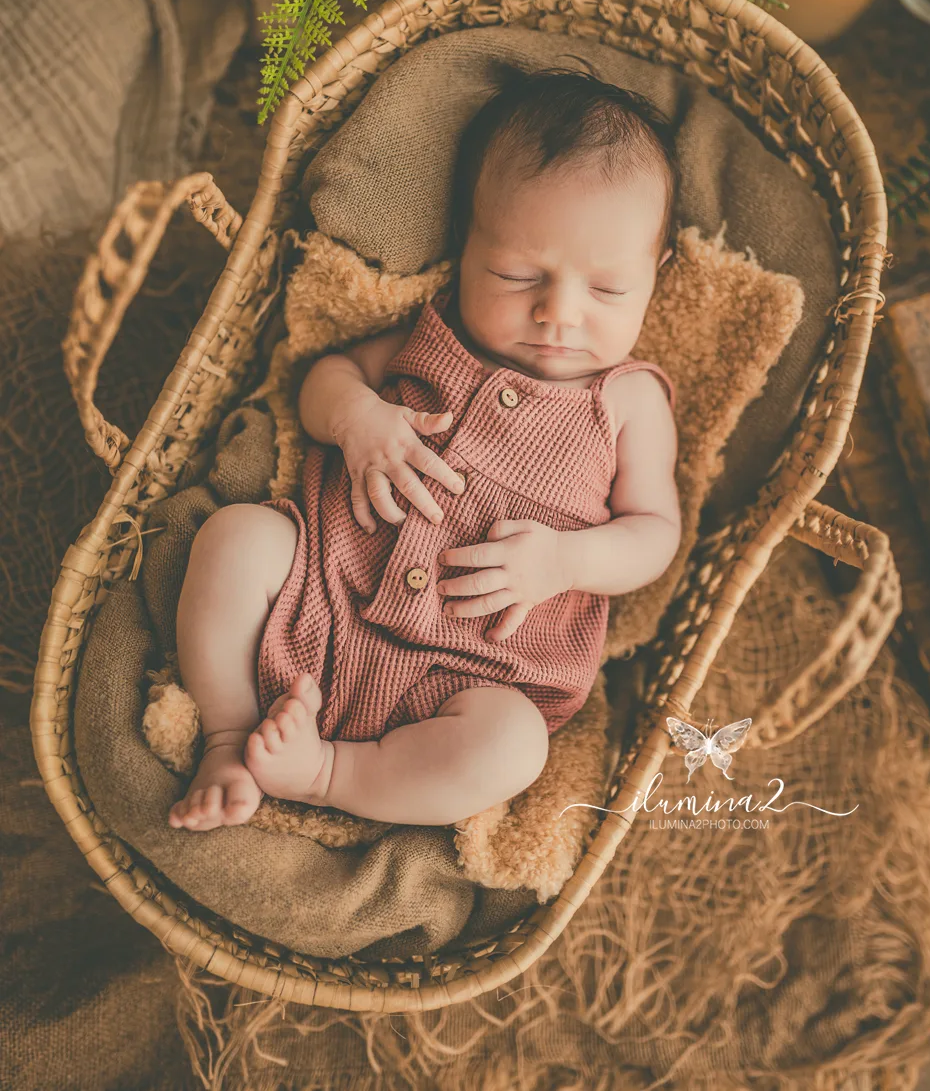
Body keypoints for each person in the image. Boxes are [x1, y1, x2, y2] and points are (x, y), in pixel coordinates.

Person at [168, 65, 682, 832]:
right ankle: (227, 738)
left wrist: (564, 561)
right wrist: (356, 418)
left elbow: (655, 532)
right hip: (322, 592)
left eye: (606, 289)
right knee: (235, 538)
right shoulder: (433, 335)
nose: (557, 313)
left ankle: (331, 773)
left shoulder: (630, 400)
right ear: (465, 245)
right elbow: (323, 378)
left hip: (468, 677)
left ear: (656, 275)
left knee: (514, 745)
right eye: (516, 274)